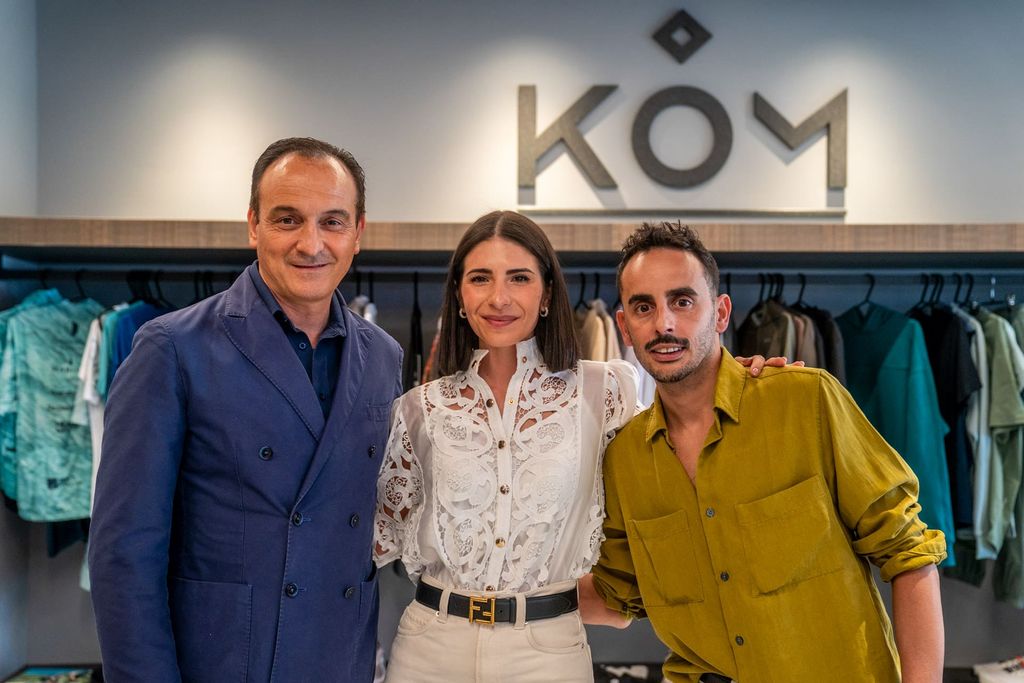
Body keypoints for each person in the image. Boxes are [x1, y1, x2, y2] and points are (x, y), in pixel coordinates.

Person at [373, 211, 781, 682]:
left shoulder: (605, 391)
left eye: (519, 278)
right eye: (480, 278)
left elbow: (685, 445)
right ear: (460, 296)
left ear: (547, 293)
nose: (499, 297)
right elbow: (373, 535)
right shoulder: (418, 409)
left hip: (546, 652)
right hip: (429, 647)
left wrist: (748, 381)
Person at [88, 137, 403, 683]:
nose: (311, 243)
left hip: (340, 661)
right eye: (287, 220)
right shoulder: (172, 348)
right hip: (221, 664)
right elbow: (124, 554)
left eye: (332, 222)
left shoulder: (384, 356)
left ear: (358, 233)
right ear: (254, 225)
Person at [586, 221, 947, 683]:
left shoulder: (806, 401)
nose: (664, 324)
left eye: (682, 301)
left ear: (720, 313)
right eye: (643, 307)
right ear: (624, 327)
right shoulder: (625, 459)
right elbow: (617, 595)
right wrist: (503, 604)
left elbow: (909, 552)